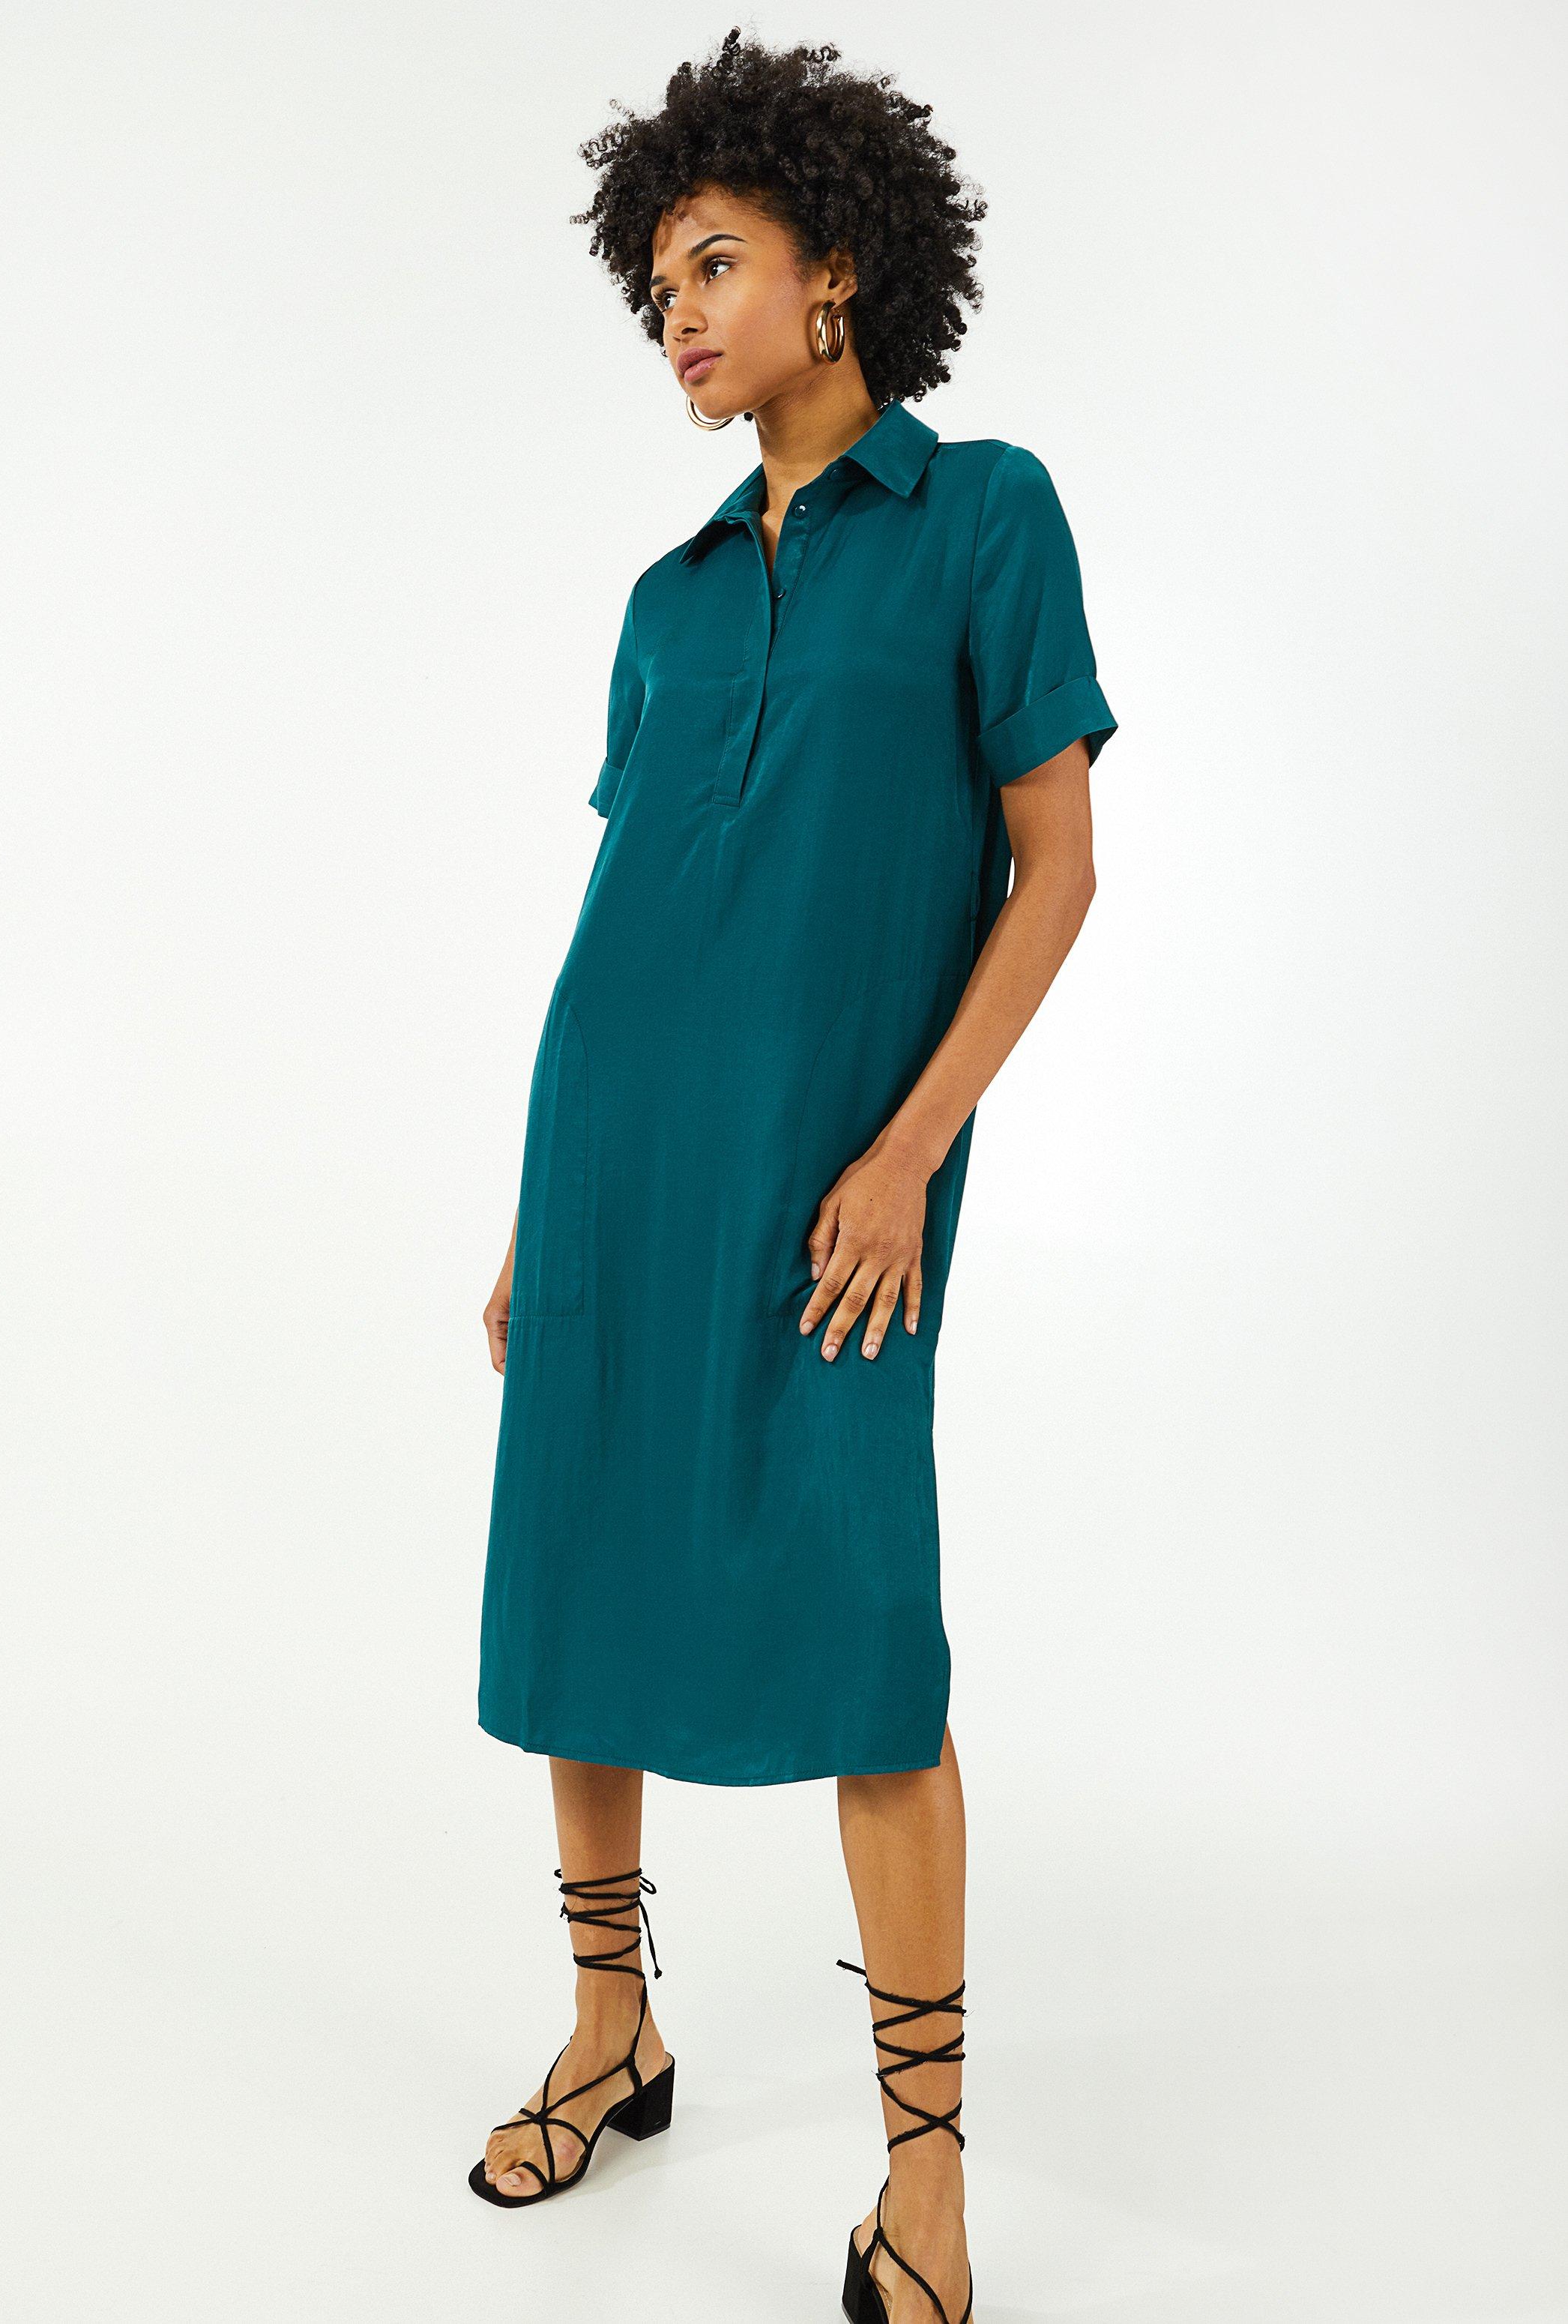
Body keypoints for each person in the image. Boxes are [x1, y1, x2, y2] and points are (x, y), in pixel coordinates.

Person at [468, 31, 1116, 2324]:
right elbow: (625, 916)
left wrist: (904, 1153)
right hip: (612, 1169)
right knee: (579, 1601)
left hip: (838, 1196)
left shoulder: (982, 516)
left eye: (713, 262)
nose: (676, 312)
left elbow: (1053, 870)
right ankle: (607, 2028)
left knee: (866, 1655)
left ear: (835, 265)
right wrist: (540, 1212)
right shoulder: (662, 600)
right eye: (655, 283)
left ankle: (924, 2181)